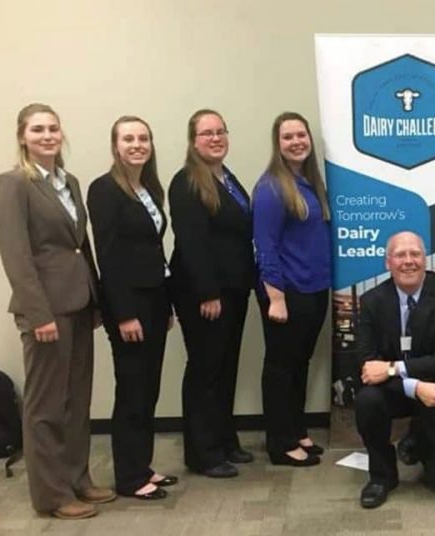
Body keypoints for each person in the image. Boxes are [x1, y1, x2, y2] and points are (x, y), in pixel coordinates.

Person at [0, 103, 115, 519]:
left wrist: (95, 299)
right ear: (22, 137)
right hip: (46, 309)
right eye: (38, 129)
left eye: (53, 128)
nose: (47, 135)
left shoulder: (70, 182)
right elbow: (17, 256)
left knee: (76, 400)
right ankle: (52, 495)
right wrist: (38, 313)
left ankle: (77, 479)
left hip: (79, 302)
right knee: (45, 406)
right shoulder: (13, 184)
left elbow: (79, 245)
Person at [354, 231, 435, 509]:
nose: (408, 261)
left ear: (425, 259)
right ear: (388, 263)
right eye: (400, 255)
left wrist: (393, 368)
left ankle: (420, 439)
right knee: (367, 399)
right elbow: (365, 364)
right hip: (402, 390)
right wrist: (414, 387)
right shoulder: (372, 301)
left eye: (415, 254)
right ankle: (382, 476)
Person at [87, 116, 176, 499]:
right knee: (133, 390)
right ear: (115, 145)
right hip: (129, 304)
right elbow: (107, 254)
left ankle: (142, 466)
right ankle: (128, 477)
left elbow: (155, 250)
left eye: (143, 138)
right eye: (128, 139)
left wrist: (167, 304)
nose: (137, 144)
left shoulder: (149, 188)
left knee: (149, 388)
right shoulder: (104, 189)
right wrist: (124, 314)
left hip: (155, 298)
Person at [169, 109, 255, 478]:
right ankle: (203, 453)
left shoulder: (227, 177)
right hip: (204, 293)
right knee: (206, 369)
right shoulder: (186, 181)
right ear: (193, 141)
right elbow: (193, 243)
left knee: (226, 367)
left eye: (221, 131)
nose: (216, 138)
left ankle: (224, 440)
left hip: (233, 289)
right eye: (207, 133)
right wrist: (208, 292)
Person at [253, 111, 331, 466]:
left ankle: (296, 429)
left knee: (300, 363)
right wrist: (276, 297)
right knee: (281, 367)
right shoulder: (271, 187)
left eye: (301, 134)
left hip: (314, 288)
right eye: (288, 137)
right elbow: (264, 245)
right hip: (287, 291)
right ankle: (280, 442)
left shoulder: (310, 182)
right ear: (278, 144)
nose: (296, 141)